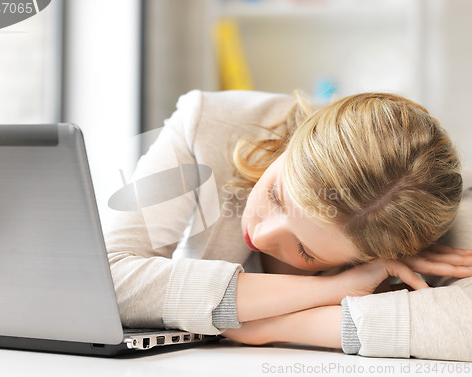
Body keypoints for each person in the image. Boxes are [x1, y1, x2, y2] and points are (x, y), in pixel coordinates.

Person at [104, 90, 472, 362]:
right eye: (277, 195)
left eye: (305, 251)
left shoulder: (430, 209)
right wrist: (333, 288)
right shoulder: (207, 124)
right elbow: (107, 279)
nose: (261, 234)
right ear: (296, 139)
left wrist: (272, 327)